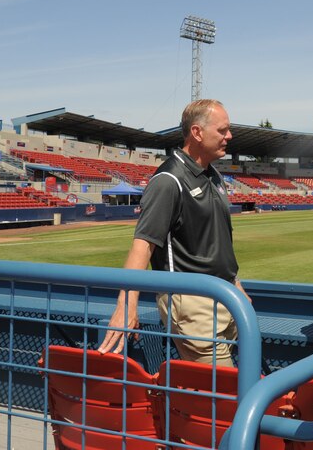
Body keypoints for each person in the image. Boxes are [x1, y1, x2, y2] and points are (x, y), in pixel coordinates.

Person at [98, 99, 247, 366]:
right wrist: (126, 305)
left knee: (221, 389)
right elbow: (143, 245)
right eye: (222, 130)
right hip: (194, 305)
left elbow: (214, 241)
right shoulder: (168, 180)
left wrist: (235, 284)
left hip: (227, 296)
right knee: (223, 396)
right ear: (197, 133)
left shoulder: (213, 175)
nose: (229, 136)